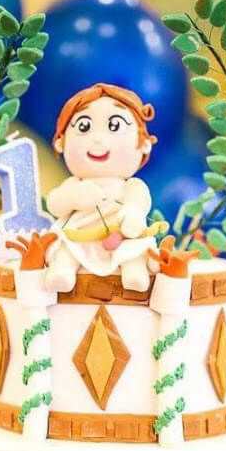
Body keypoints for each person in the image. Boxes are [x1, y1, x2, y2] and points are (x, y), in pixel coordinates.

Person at [45, 83, 159, 294]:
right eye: (83, 127)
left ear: (144, 143)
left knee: (134, 248)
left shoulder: (131, 186)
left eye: (114, 126)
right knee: (64, 247)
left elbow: (138, 202)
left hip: (121, 235)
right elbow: (54, 203)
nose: (97, 138)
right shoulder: (75, 184)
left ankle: (134, 274)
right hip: (79, 235)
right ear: (61, 142)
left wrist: (132, 213)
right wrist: (73, 198)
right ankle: (62, 272)